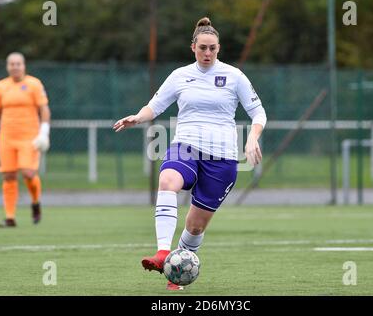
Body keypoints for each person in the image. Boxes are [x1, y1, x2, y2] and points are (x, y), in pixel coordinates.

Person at [113, 17, 266, 290]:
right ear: (192, 47)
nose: (208, 53)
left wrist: (252, 138)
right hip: (186, 146)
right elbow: (155, 105)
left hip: (222, 158)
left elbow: (258, 112)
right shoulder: (180, 75)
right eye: (203, 48)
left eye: (213, 49)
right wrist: (138, 117)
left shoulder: (234, 76)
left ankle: (177, 273)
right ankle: (162, 253)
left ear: (219, 48)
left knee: (195, 227)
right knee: (168, 180)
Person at [0, 52, 51, 227]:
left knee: (28, 173)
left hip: (29, 137)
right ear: (7, 66)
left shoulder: (34, 84)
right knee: (8, 175)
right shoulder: (1, 86)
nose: (15, 67)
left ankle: (35, 202)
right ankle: (10, 217)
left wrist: (43, 132)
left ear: (23, 66)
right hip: (7, 137)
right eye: (12, 64)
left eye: (18, 64)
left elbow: (44, 110)